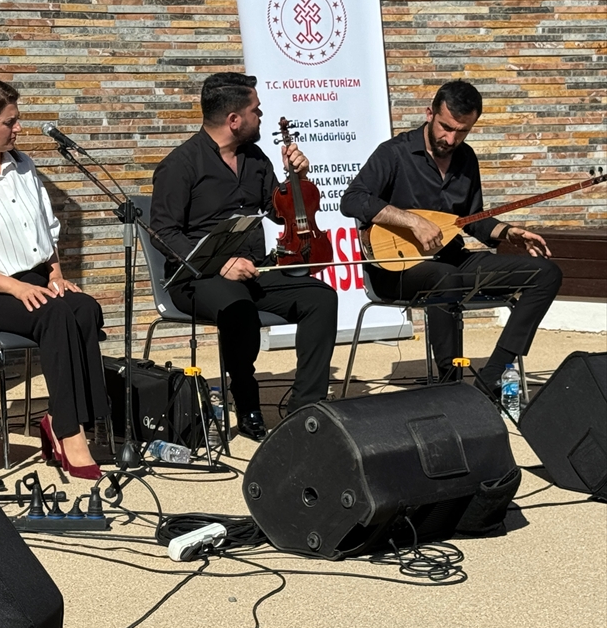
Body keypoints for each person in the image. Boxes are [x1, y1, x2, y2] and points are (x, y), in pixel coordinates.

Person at [0, 78, 108, 479]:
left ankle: (83, 420)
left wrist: (57, 276)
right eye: (9, 122)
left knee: (83, 307)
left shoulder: (23, 166)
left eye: (17, 120)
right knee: (55, 315)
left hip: (32, 280)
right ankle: (69, 432)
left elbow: (47, 231)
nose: (17, 129)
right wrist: (19, 287)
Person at [149, 72, 338, 439]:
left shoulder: (254, 158)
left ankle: (304, 406)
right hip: (197, 278)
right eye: (256, 111)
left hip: (254, 270)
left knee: (321, 298)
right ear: (234, 120)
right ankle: (247, 401)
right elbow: (163, 233)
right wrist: (219, 263)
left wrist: (296, 178)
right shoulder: (180, 165)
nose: (261, 117)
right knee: (238, 308)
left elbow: (277, 209)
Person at [340, 80, 562, 391]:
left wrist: (509, 232)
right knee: (444, 278)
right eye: (446, 127)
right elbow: (351, 200)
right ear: (429, 114)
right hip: (396, 269)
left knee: (546, 274)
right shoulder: (394, 154)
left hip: (453, 260)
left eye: (462, 131)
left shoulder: (466, 158)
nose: (451, 138)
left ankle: (493, 375)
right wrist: (411, 221)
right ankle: (450, 386)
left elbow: (472, 221)